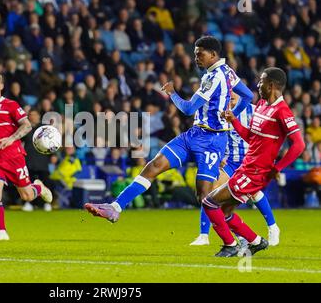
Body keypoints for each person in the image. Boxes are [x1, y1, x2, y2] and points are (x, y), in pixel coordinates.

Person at [85, 36, 253, 223]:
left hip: (212, 141)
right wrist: (231, 115)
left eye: (200, 54)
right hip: (194, 134)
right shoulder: (226, 71)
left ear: (213, 54)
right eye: (195, 54)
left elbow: (188, 109)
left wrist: (172, 92)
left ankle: (234, 237)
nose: (196, 58)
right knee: (154, 165)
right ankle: (115, 208)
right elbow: (247, 95)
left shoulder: (214, 77)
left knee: (204, 196)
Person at [203, 67, 305, 257]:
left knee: (209, 202)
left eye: (262, 81)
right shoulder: (261, 105)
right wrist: (234, 120)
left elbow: (299, 145)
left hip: (256, 172)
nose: (258, 84)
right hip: (246, 165)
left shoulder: (282, 111)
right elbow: (251, 138)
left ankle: (231, 245)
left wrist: (278, 167)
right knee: (224, 211)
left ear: (272, 85)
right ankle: (257, 242)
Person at [190, 92, 280, 247]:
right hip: (231, 162)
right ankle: (204, 235)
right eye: (227, 99)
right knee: (211, 191)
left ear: (241, 98)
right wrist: (220, 157)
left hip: (250, 161)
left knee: (254, 193)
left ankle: (272, 227)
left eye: (232, 99)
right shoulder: (222, 113)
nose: (229, 102)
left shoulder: (255, 112)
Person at [0, 72, 52, 241]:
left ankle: (38, 188)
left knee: (26, 195)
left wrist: (11, 139)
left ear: (1, 86)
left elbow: (26, 126)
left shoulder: (10, 105)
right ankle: (1, 231)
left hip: (13, 156)